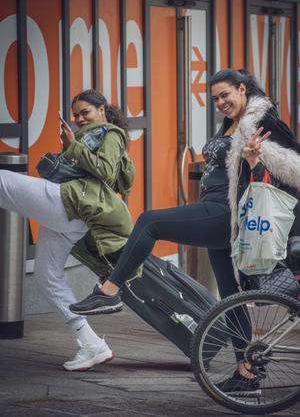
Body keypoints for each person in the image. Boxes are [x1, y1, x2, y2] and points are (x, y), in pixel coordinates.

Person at [70, 69, 300, 391]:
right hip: (220, 213)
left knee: (150, 221)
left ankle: (109, 291)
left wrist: (255, 161)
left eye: (225, 95)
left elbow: (292, 171)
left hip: (225, 213)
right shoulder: (232, 122)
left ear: (243, 89)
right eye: (216, 98)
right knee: (231, 298)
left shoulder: (266, 122)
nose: (220, 102)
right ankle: (247, 373)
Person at [0, 89, 134, 371]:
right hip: (73, 214)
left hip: (70, 204)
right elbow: (80, 169)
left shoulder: (111, 133)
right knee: (47, 276)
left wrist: (72, 145)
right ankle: (91, 344)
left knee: (2, 180)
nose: (80, 119)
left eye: (85, 112)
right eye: (75, 115)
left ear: (102, 110)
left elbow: (107, 172)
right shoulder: (88, 137)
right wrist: (69, 146)